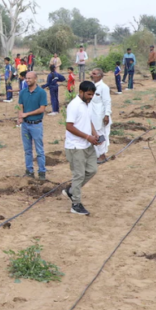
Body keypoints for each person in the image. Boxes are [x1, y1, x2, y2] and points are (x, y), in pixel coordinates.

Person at [62, 81, 100, 216]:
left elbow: (88, 121)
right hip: (75, 146)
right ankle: (75, 204)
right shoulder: (74, 105)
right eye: (89, 94)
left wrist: (94, 134)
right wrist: (87, 136)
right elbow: (69, 126)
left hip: (87, 144)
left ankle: (71, 191)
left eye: (92, 95)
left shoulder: (87, 104)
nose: (91, 97)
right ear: (81, 92)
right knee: (79, 175)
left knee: (92, 170)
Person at [17, 71, 49, 180]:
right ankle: (29, 171)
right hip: (25, 125)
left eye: (30, 78)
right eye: (26, 78)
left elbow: (42, 109)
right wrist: (20, 117)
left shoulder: (41, 92)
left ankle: (41, 172)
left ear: (35, 79)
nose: (27, 80)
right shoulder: (23, 92)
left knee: (39, 150)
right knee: (27, 150)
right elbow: (20, 105)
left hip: (36, 125)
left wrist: (27, 114)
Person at [89, 68, 113, 163]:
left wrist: (107, 115)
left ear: (100, 76)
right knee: (93, 134)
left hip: (100, 115)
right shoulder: (91, 86)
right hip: (92, 114)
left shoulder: (104, 87)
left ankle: (102, 155)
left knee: (101, 134)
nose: (92, 75)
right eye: (92, 73)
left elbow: (107, 102)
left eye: (94, 73)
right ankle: (96, 155)